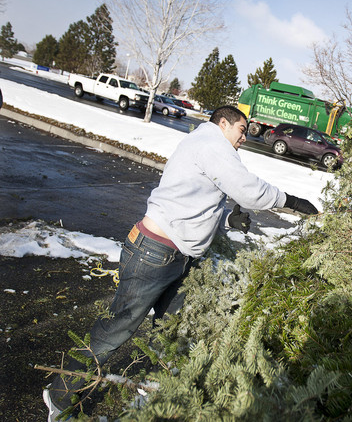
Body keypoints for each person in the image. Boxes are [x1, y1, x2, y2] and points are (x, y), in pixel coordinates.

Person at [43, 105, 318, 420]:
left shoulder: (204, 146)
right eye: (242, 129)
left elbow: (193, 205)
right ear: (223, 123)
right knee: (118, 326)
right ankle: (60, 394)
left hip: (174, 256)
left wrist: (228, 220)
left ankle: (167, 389)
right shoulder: (211, 143)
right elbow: (247, 189)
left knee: (175, 328)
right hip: (154, 252)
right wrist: (291, 201)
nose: (245, 137)